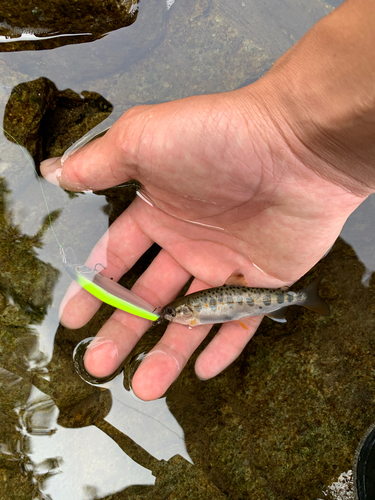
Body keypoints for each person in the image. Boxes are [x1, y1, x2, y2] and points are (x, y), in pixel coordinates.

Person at [41, 0, 375, 401]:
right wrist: (293, 133)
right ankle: (300, 297)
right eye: (178, 313)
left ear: (188, 314)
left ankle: (302, 297)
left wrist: (292, 135)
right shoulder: (198, 306)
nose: (175, 314)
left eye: (178, 312)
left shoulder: (193, 310)